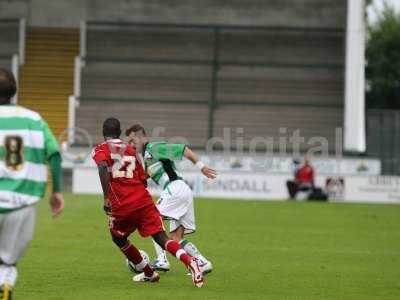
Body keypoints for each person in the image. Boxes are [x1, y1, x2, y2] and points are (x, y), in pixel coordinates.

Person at [92, 118, 204, 287]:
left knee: (118, 237)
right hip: (143, 200)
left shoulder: (100, 149)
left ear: (103, 132)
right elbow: (143, 180)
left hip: (122, 205)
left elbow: (102, 167)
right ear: (119, 132)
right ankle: (191, 262)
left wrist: (106, 197)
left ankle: (149, 272)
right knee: (161, 237)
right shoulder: (131, 150)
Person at [0, 68, 64, 300]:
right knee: (8, 261)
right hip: (22, 204)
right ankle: (5, 285)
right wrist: (56, 191)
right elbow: (55, 153)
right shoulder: (33, 119)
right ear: (14, 91)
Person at [125, 124, 217, 274]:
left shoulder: (153, 147)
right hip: (182, 190)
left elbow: (183, 150)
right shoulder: (146, 157)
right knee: (175, 238)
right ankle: (202, 262)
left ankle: (162, 260)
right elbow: (142, 180)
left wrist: (201, 166)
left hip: (175, 188)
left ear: (141, 137)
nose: (130, 144)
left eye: (132, 140)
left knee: (151, 219)